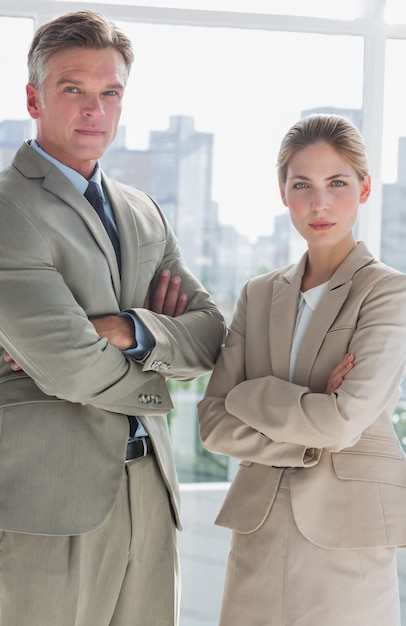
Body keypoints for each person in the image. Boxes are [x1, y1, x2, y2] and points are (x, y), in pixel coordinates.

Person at [0, 10, 225, 626]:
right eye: (73, 89)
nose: (93, 109)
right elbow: (71, 369)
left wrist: (129, 328)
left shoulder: (144, 210)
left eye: (110, 92)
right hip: (50, 506)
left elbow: (211, 335)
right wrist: (159, 375)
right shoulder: (6, 208)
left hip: (150, 494)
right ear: (33, 97)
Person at [198, 113, 406, 626]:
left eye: (337, 183)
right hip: (258, 531)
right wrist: (309, 418)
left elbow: (342, 421)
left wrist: (252, 395)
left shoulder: (387, 292)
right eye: (302, 185)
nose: (319, 203)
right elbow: (212, 422)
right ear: (283, 192)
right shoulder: (259, 293)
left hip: (347, 535)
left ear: (363, 189)